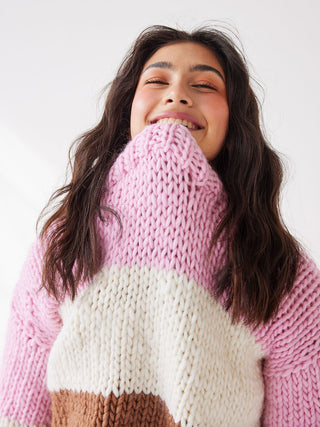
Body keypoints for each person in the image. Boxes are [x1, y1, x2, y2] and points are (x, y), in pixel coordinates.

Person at [0, 24, 319, 427]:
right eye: (156, 79)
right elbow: (17, 412)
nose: (177, 93)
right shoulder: (66, 242)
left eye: (204, 85)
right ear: (127, 108)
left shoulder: (278, 267)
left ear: (234, 119)